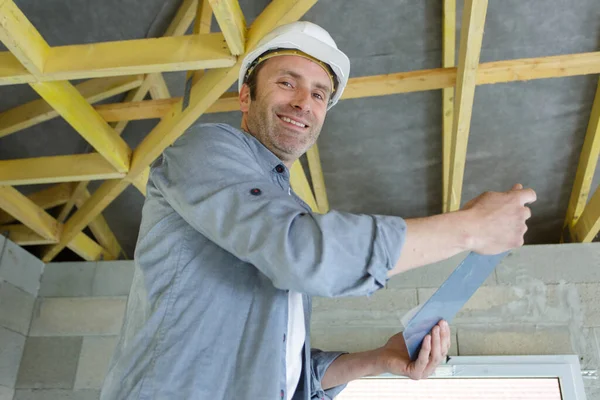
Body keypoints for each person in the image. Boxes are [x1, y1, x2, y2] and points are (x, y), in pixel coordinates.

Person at [100, 21, 536, 400]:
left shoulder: (290, 210)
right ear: (245, 97)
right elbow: (303, 253)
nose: (303, 102)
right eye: (287, 82)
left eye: (319, 93)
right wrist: (471, 229)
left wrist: (380, 358)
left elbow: (286, 374)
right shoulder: (205, 152)